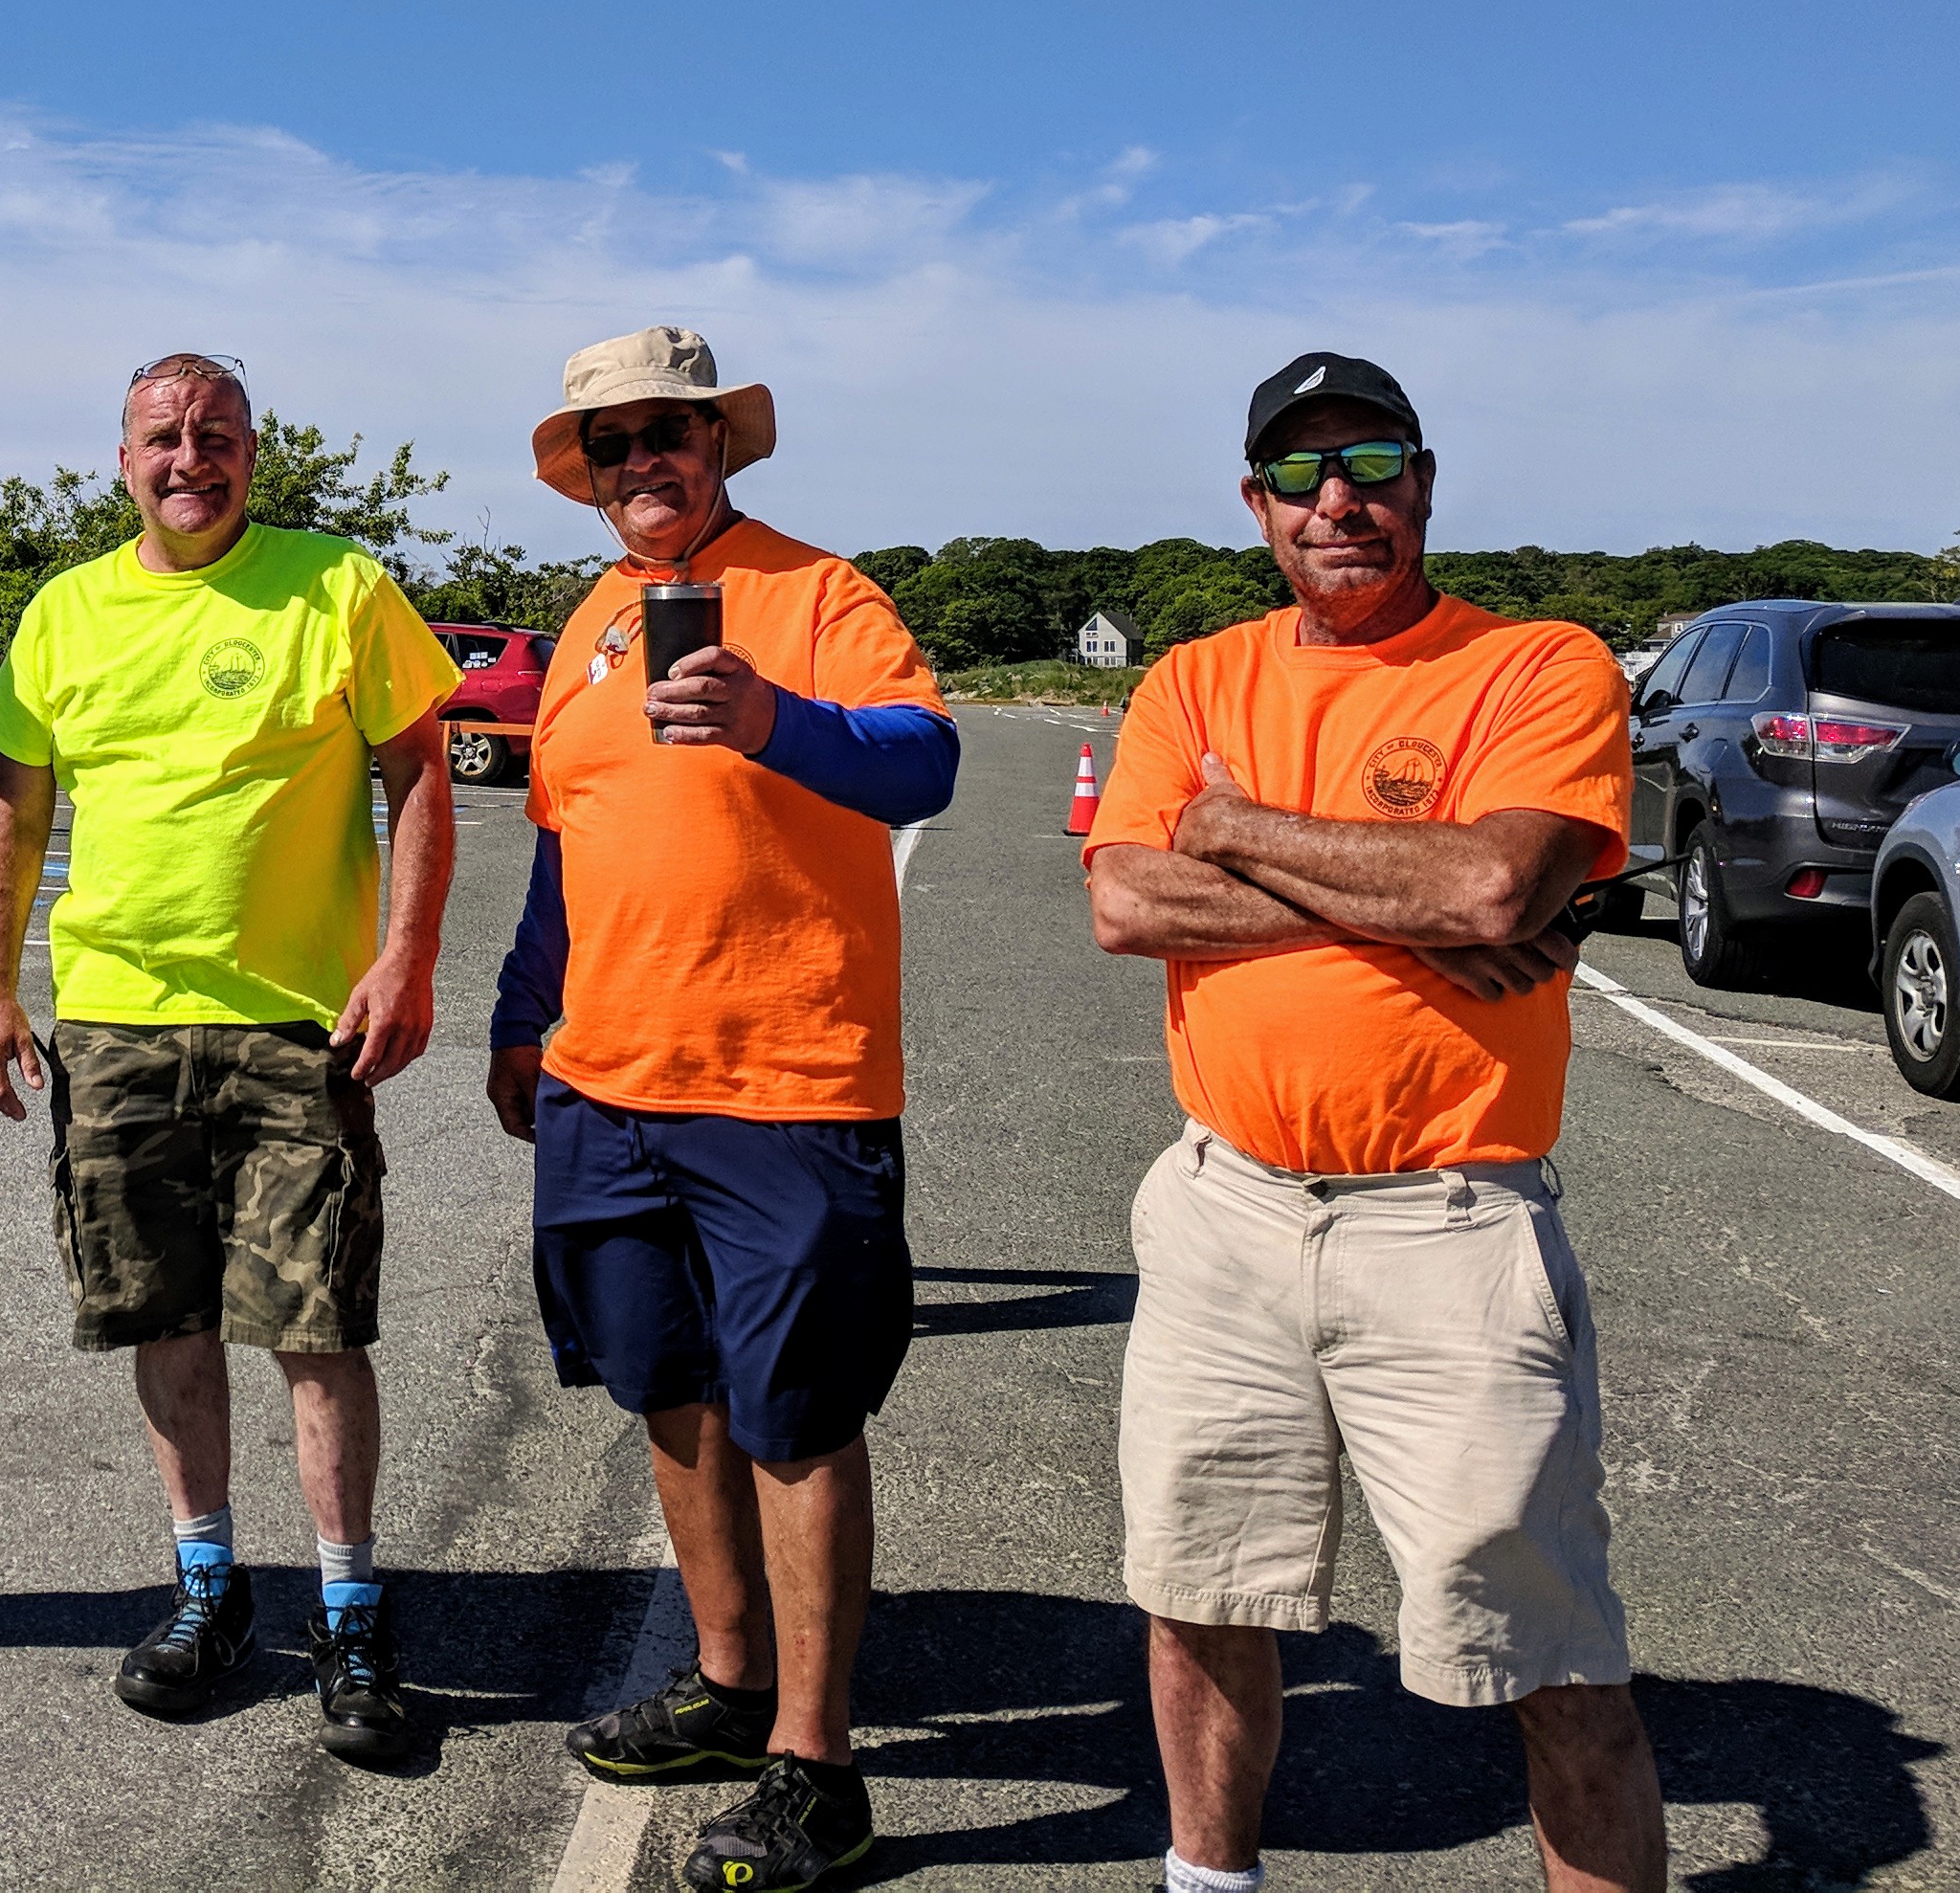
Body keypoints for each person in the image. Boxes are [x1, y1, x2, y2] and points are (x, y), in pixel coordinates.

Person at [1084, 354, 1669, 1893]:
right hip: (1226, 1205)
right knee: (1201, 1596)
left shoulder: (1536, 666)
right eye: (1298, 474)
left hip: (1449, 1222)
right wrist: (1410, 900)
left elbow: (1493, 883)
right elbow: (1128, 901)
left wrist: (1233, 826)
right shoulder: (1194, 679)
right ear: (1256, 503)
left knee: (1548, 1653)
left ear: (1424, 481)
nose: (1336, 500)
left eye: (1371, 463)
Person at [488, 325, 959, 1891]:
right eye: (611, 444)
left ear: (720, 446)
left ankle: (819, 1771)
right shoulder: (588, 623)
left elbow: (924, 762)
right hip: (605, 1082)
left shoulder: (821, 596)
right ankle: (730, 1683)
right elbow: (564, 843)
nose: (642, 463)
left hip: (787, 1083)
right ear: (589, 475)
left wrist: (775, 722)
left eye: (667, 434)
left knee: (798, 1417)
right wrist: (519, 1017)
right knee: (669, 1389)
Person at [0, 352, 461, 1764]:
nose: (192, 458)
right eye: (165, 437)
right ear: (123, 461)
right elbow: (12, 806)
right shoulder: (65, 612)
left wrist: (406, 959)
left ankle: (350, 1612)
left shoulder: (339, 587)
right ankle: (209, 1590)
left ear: (253, 451)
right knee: (164, 1317)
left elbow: (420, 771)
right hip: (116, 1025)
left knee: (316, 1326)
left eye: (217, 434)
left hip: (298, 1024)